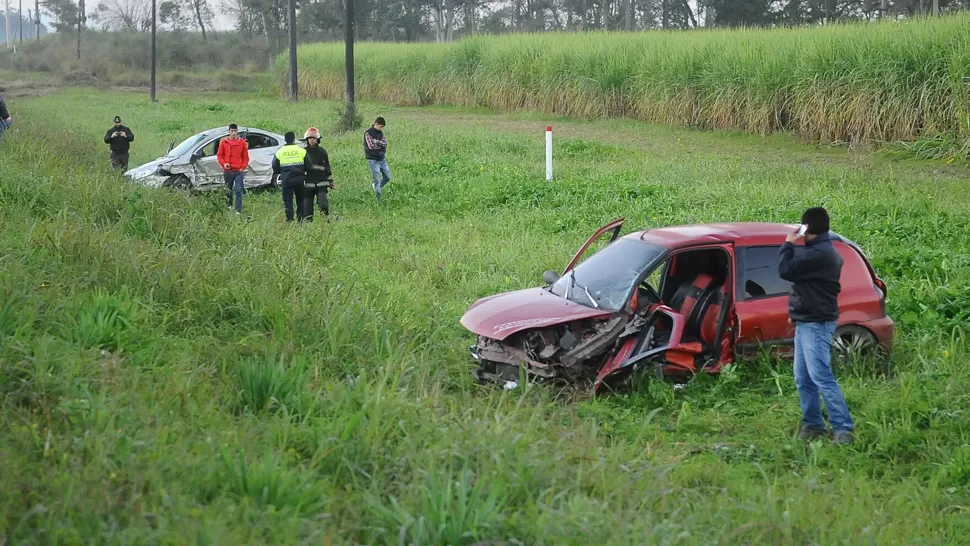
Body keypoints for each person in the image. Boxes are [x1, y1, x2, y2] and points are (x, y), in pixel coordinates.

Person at [778, 207, 854, 445]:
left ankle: (843, 428)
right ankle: (813, 425)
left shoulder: (818, 254)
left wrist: (788, 243)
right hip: (807, 320)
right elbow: (805, 287)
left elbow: (786, 270)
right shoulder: (817, 251)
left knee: (821, 376)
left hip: (817, 324)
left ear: (806, 229)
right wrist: (796, 314)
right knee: (802, 377)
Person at [272, 131, 313, 222]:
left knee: (288, 201)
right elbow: (309, 165)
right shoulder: (301, 150)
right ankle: (300, 220)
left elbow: (274, 167)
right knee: (300, 201)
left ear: (285, 140)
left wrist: (282, 172)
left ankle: (289, 219)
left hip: (286, 180)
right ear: (294, 139)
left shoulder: (280, 152)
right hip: (299, 180)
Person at [301, 127, 335, 222]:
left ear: (317, 139)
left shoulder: (322, 152)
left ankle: (325, 221)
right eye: (310, 138)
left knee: (323, 204)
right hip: (307, 184)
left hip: (321, 183)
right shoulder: (303, 152)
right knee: (307, 208)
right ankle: (308, 224)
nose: (312, 140)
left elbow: (327, 168)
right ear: (307, 140)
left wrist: (330, 181)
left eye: (314, 138)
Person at [217, 123, 250, 214]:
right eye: (232, 131)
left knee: (238, 190)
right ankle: (229, 205)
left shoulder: (242, 142)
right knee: (228, 190)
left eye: (235, 131)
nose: (234, 133)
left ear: (237, 131)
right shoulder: (224, 142)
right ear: (229, 132)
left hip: (238, 171)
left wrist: (242, 167)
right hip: (228, 171)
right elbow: (220, 155)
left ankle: (238, 210)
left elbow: (245, 157)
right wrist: (224, 164)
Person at [364, 116, 391, 200]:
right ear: (376, 124)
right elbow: (371, 146)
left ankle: (376, 186)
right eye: (381, 126)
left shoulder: (380, 133)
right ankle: (378, 198)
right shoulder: (368, 133)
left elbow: (385, 144)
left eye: (383, 127)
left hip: (382, 158)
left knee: (388, 177)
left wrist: (376, 141)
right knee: (377, 179)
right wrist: (380, 145)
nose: (382, 128)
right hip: (373, 160)